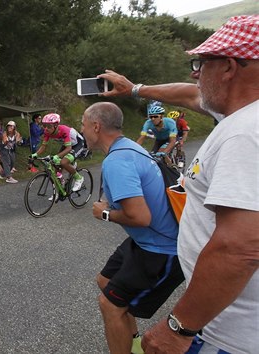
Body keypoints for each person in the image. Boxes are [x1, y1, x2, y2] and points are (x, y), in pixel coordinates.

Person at [100, 15, 259, 354]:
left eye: (201, 64)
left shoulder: (246, 133)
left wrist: (179, 326)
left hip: (232, 334)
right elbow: (189, 95)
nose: (194, 73)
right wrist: (136, 90)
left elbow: (241, 248)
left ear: (229, 67)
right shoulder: (241, 114)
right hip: (226, 318)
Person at [81, 102, 184, 354]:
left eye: (83, 125)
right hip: (145, 241)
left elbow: (140, 217)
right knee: (105, 280)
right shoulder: (130, 146)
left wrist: (104, 213)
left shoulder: (117, 161)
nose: (81, 130)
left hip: (163, 249)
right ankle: (134, 342)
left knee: (110, 305)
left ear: (96, 126)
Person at [31, 113, 85, 191]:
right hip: (67, 144)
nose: (46, 129)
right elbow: (43, 147)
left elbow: (69, 148)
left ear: (56, 126)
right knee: (55, 165)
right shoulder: (47, 132)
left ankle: (79, 178)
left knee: (63, 162)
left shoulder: (64, 130)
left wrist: (57, 156)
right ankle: (60, 188)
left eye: (49, 126)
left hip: (77, 144)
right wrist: (35, 154)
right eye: (44, 125)